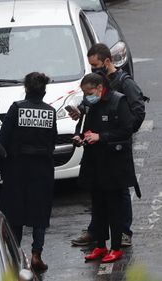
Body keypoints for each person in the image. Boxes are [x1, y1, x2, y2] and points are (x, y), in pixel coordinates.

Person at [70, 43, 148, 247]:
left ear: (106, 61)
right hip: (97, 149)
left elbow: (137, 113)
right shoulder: (96, 84)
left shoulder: (124, 83)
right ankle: (97, 230)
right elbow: (90, 104)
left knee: (119, 191)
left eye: (96, 65)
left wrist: (122, 133)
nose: (94, 70)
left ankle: (123, 231)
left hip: (115, 147)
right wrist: (81, 112)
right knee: (98, 192)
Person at [74, 73, 136, 263]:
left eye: (90, 92)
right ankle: (100, 245)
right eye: (84, 93)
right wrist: (80, 136)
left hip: (114, 164)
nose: (87, 96)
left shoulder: (118, 102)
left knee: (114, 209)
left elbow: (127, 130)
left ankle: (115, 247)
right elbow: (84, 125)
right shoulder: (90, 105)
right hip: (94, 164)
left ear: (100, 88)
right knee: (98, 207)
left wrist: (101, 137)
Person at [0, 72, 57, 271]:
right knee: (40, 215)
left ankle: (15, 257)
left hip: (16, 170)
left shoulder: (16, 108)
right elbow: (52, 142)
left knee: (15, 214)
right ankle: (36, 255)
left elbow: (2, 139)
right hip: (42, 170)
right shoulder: (50, 112)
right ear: (44, 91)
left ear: (26, 89)